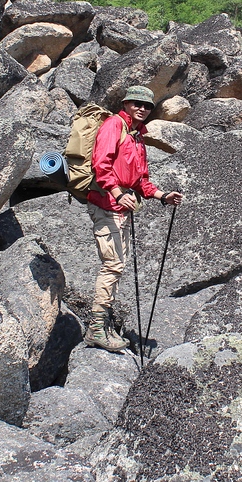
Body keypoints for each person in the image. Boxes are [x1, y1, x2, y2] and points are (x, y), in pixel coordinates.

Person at [86, 85, 183, 352]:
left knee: (117, 265)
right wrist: (117, 193)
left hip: (121, 208)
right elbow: (100, 164)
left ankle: (103, 325)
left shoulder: (137, 136)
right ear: (126, 104)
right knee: (113, 265)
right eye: (136, 103)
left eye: (147, 105)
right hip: (105, 205)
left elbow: (141, 180)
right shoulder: (113, 126)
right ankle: (96, 329)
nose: (142, 108)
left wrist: (163, 195)